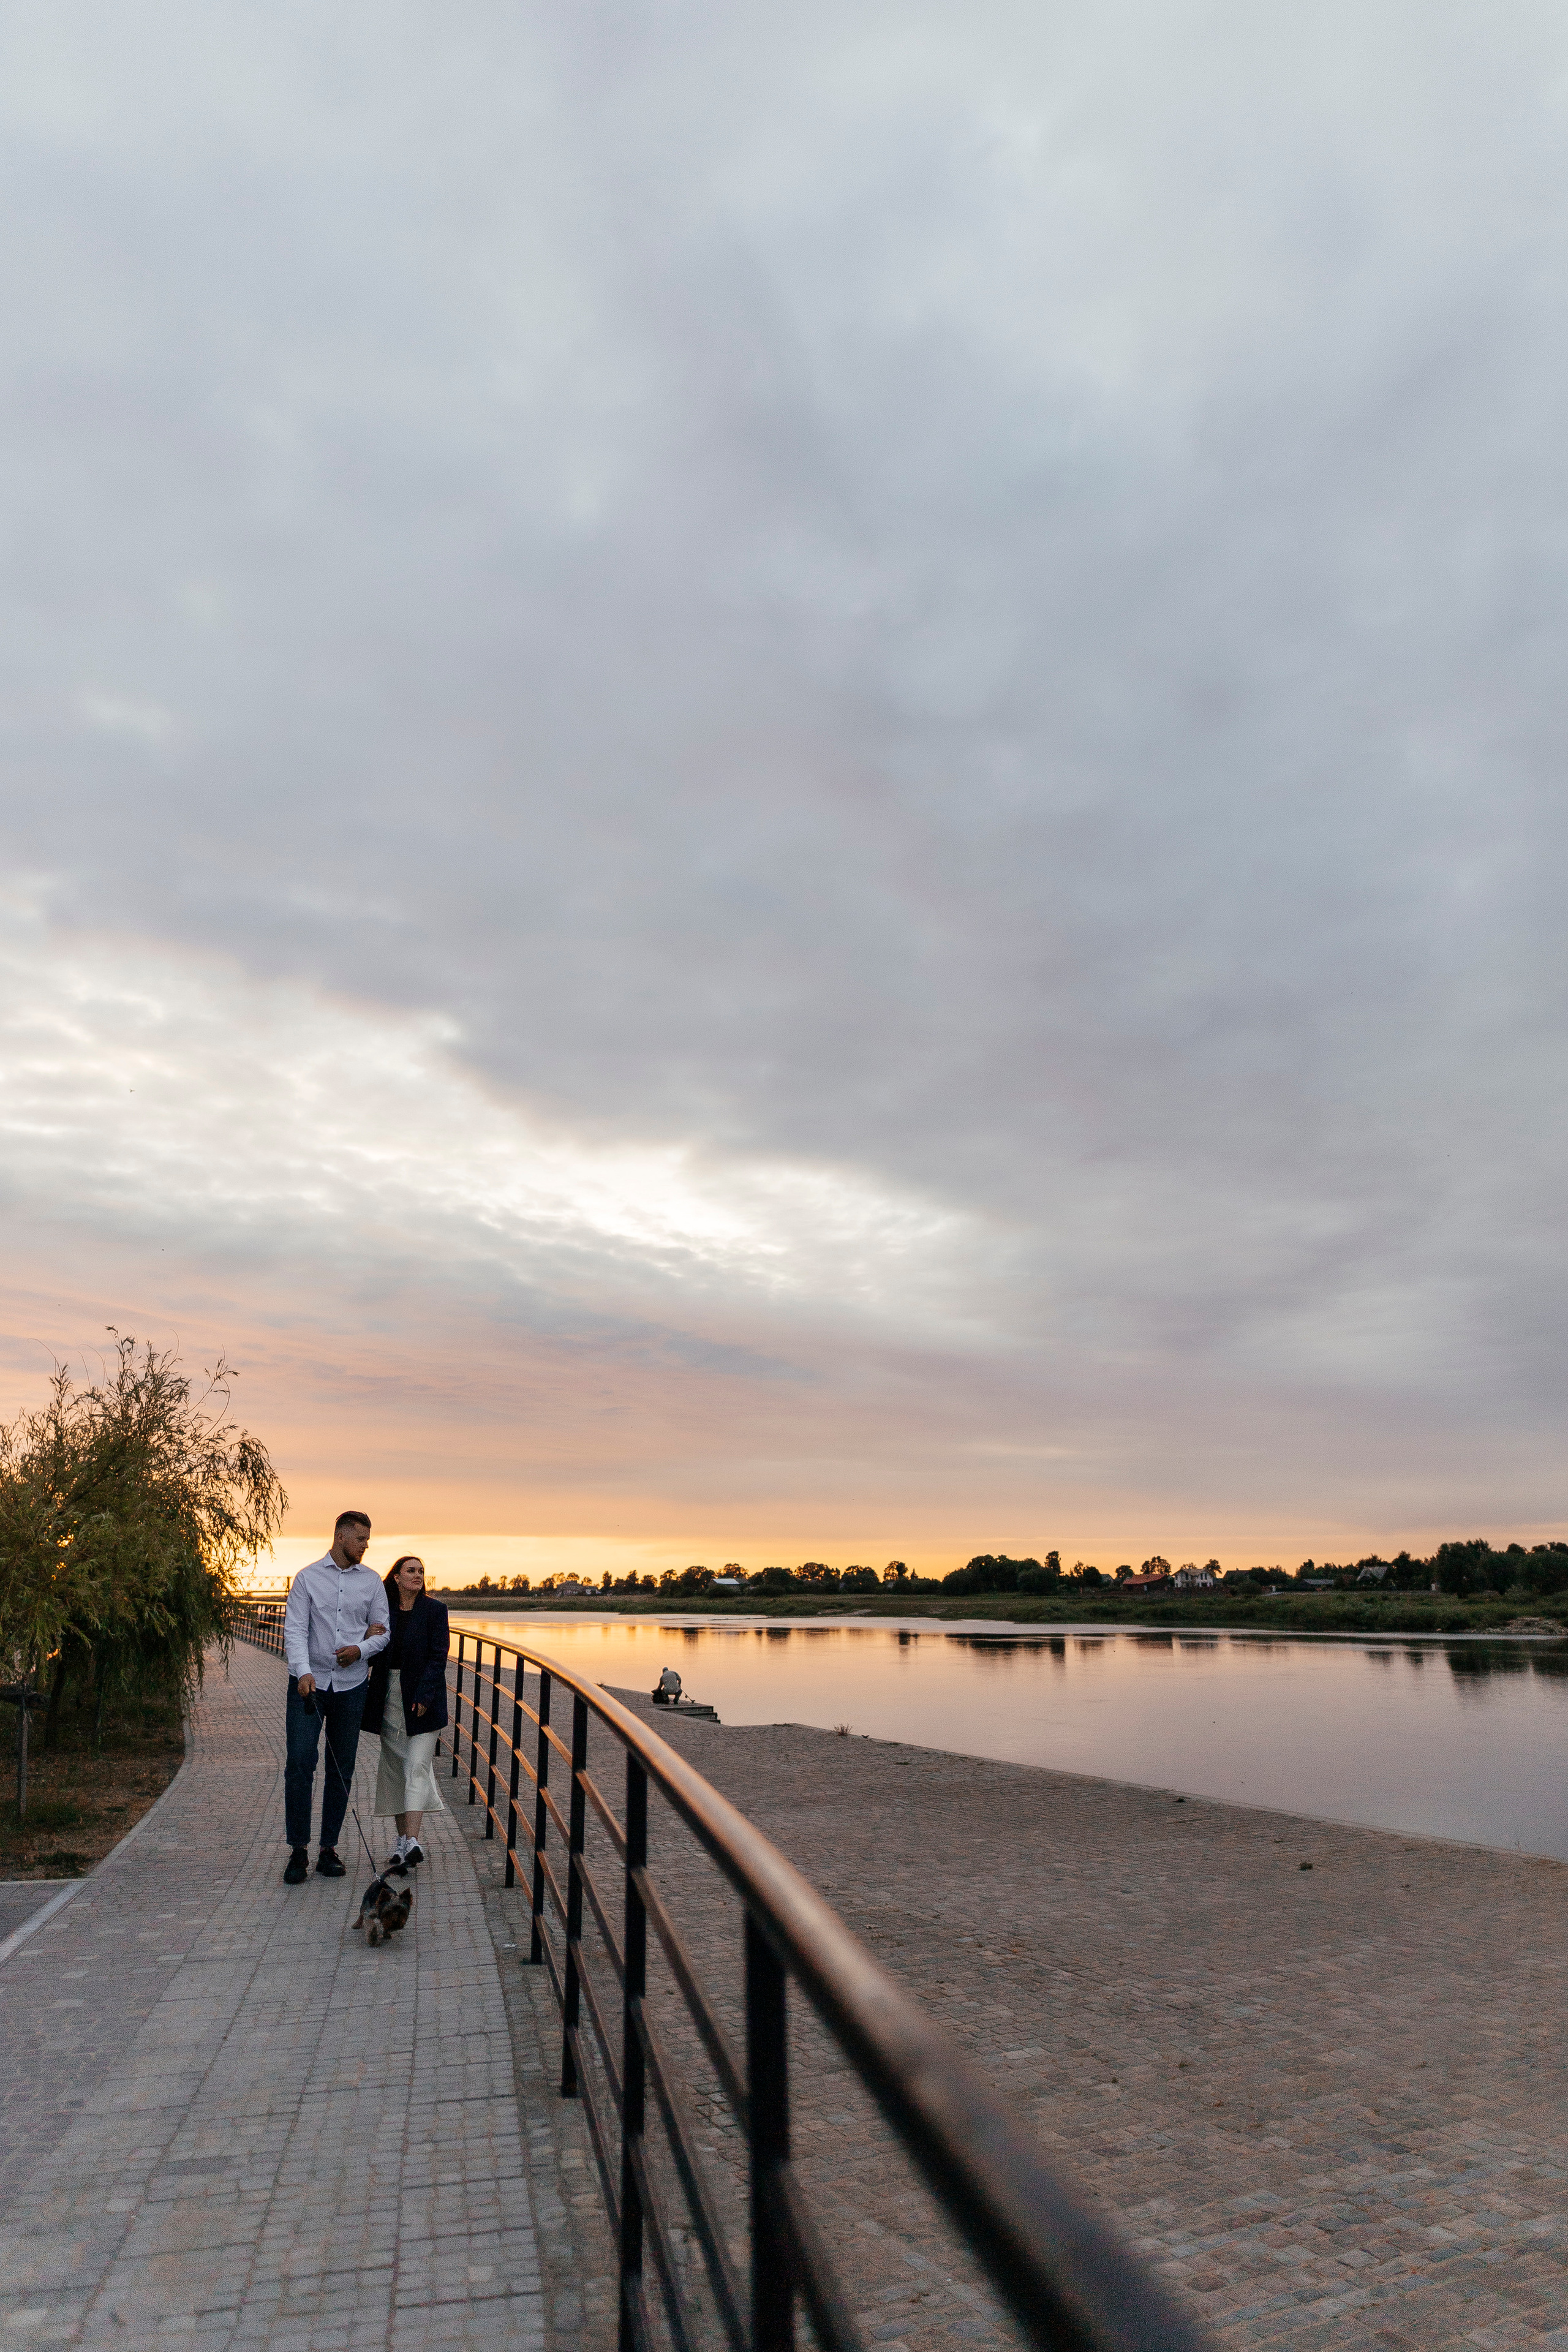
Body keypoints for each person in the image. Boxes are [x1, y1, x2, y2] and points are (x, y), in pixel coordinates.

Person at [281, 1511, 390, 1885]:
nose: (365, 1546)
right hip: (308, 1685)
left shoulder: (373, 1582)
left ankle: (328, 1849)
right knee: (299, 1763)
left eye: (367, 1540)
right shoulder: (308, 1578)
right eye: (360, 1538)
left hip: (352, 1686)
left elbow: (383, 1632)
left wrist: (361, 1650)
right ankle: (298, 1850)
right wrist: (303, 1669)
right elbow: (295, 1629)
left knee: (341, 1767)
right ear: (341, 1536)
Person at [362, 1554, 449, 1870]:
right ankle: (402, 1845)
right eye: (411, 1570)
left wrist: (425, 1695)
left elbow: (439, 1657)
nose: (418, 1575)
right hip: (389, 1698)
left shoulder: (436, 1611)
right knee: (397, 1768)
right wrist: (366, 1639)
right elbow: (371, 1656)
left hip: (424, 1700)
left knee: (416, 1766)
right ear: (396, 1577)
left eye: (421, 1571)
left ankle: (412, 1840)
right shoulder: (382, 1611)